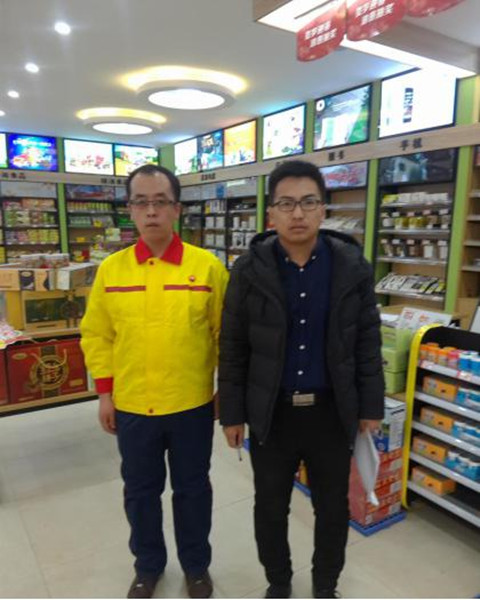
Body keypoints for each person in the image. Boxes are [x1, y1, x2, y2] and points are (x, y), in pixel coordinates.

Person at [218, 160, 384, 599]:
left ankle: (325, 586)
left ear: (323, 209)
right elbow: (233, 346)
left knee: (332, 508)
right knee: (270, 507)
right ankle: (279, 582)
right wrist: (231, 413)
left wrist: (371, 405)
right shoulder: (248, 270)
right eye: (286, 204)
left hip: (331, 412)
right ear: (270, 213)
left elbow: (367, 340)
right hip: (272, 414)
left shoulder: (351, 266)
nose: (297, 213)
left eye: (308, 202)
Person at [81, 164, 228, 599]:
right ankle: (147, 566)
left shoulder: (207, 268)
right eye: (141, 202)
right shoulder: (112, 270)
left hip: (192, 405)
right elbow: (97, 335)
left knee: (193, 491)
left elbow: (226, 335)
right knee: (140, 493)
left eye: (160, 202)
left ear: (177, 209)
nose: (151, 211)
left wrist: (226, 390)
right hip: (132, 406)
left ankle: (196, 567)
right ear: (129, 209)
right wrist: (105, 394)